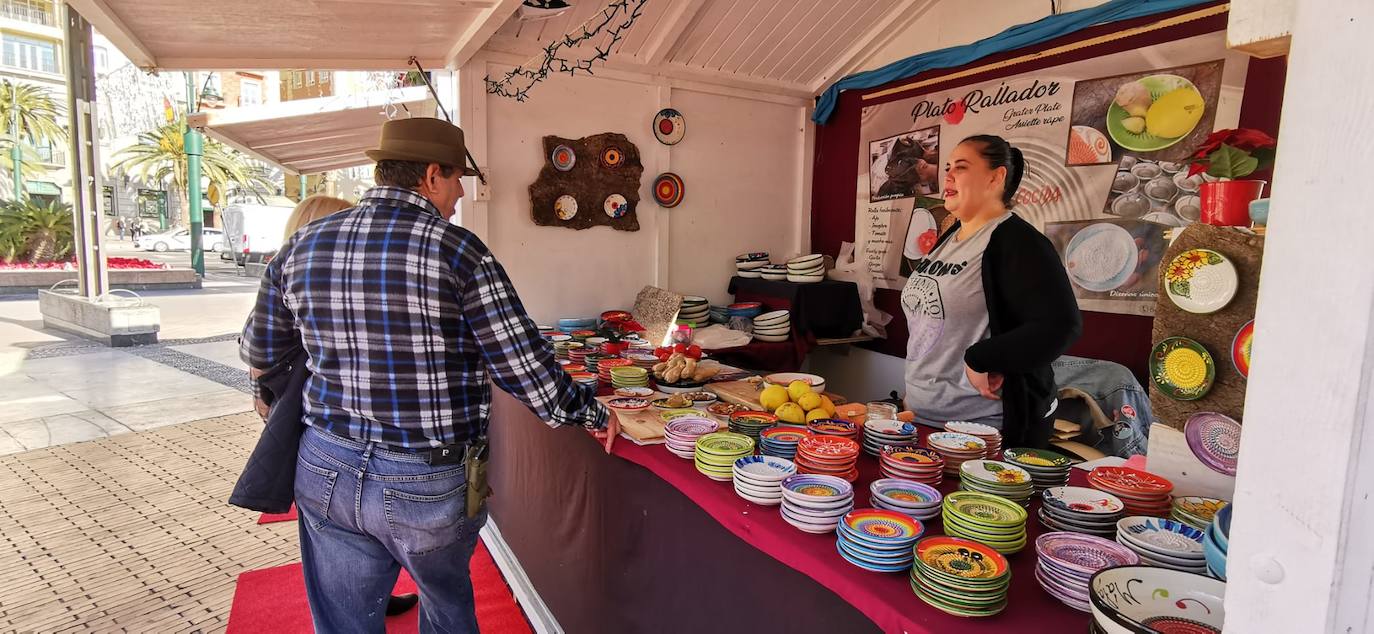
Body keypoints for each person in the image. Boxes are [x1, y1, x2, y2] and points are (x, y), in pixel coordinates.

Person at [240, 117, 618, 632]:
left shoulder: (304, 243)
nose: (461, 194)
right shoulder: (458, 251)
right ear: (432, 175)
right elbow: (525, 369)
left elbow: (259, 347)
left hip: (325, 462)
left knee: (345, 622)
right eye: (459, 178)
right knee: (445, 607)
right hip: (426, 478)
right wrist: (590, 411)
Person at [271, 193, 423, 619]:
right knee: (344, 556)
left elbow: (257, 350)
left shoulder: (297, 271)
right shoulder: (300, 272)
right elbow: (265, 354)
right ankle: (369, 597)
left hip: (330, 442)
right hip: (332, 433)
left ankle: (375, 596)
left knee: (349, 554)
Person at [900, 134, 1081, 449]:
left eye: (962, 167)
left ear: (996, 177)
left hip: (982, 430)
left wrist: (982, 357)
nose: (948, 175)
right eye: (947, 167)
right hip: (921, 415)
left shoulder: (1018, 242)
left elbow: (1061, 325)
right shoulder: (950, 238)